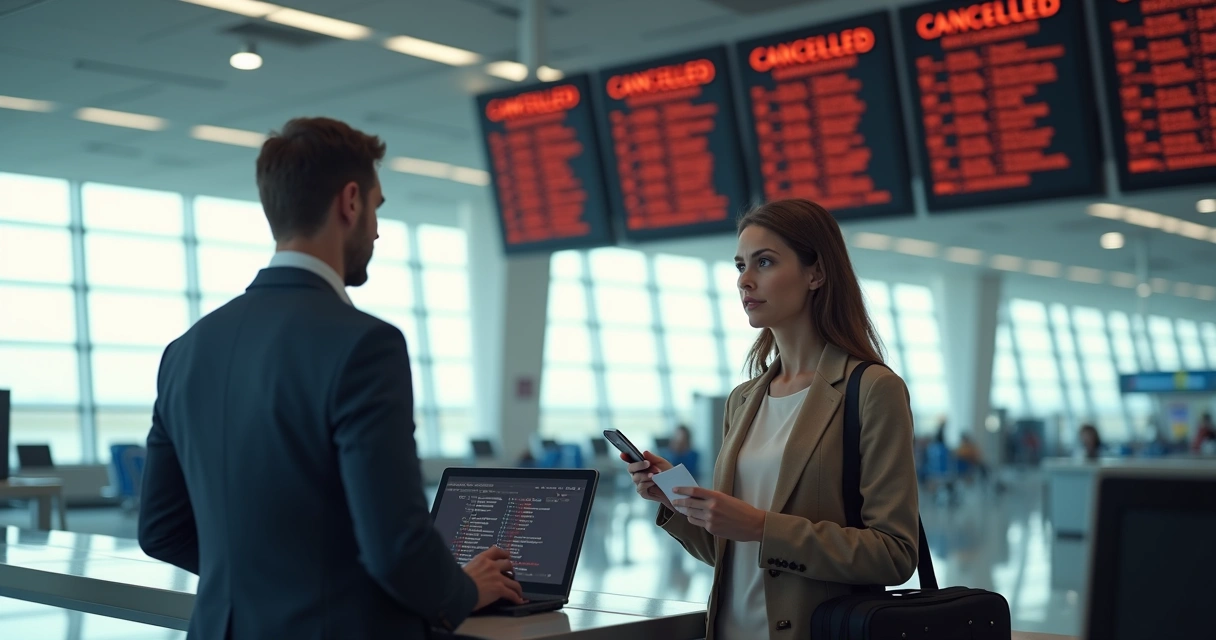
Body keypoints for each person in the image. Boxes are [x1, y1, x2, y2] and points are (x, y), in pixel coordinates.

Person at [138, 117, 523, 640]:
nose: (378, 230)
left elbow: (161, 530)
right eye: (377, 208)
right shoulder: (365, 344)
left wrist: (274, 582)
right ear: (350, 202)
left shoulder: (186, 350)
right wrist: (463, 589)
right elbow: (395, 546)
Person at [623, 199, 919, 639]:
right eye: (740, 265)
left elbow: (894, 553)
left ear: (816, 273)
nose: (745, 280)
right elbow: (729, 553)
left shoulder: (872, 389)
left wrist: (763, 527)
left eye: (764, 262)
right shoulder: (743, 400)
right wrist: (676, 501)